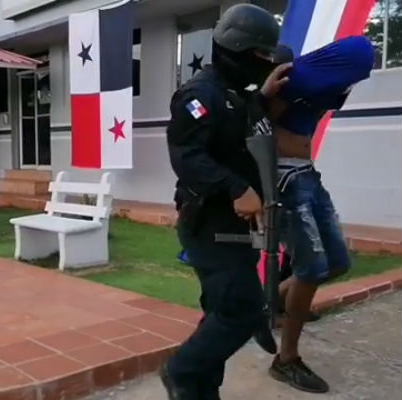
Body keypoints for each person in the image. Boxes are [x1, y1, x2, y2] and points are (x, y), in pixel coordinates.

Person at [160, 4, 292, 399]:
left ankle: (200, 389)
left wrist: (262, 96)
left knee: (221, 311)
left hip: (232, 227)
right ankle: (182, 371)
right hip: (208, 225)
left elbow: (236, 130)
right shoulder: (199, 95)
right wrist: (237, 188)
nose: (264, 64)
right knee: (241, 311)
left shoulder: (237, 93)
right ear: (237, 50)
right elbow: (187, 155)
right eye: (260, 56)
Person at [264, 35, 374, 393]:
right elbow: (260, 130)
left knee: (338, 263)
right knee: (309, 269)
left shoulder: (324, 89)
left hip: (307, 175)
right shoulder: (290, 81)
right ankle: (286, 359)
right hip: (284, 179)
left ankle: (266, 306)